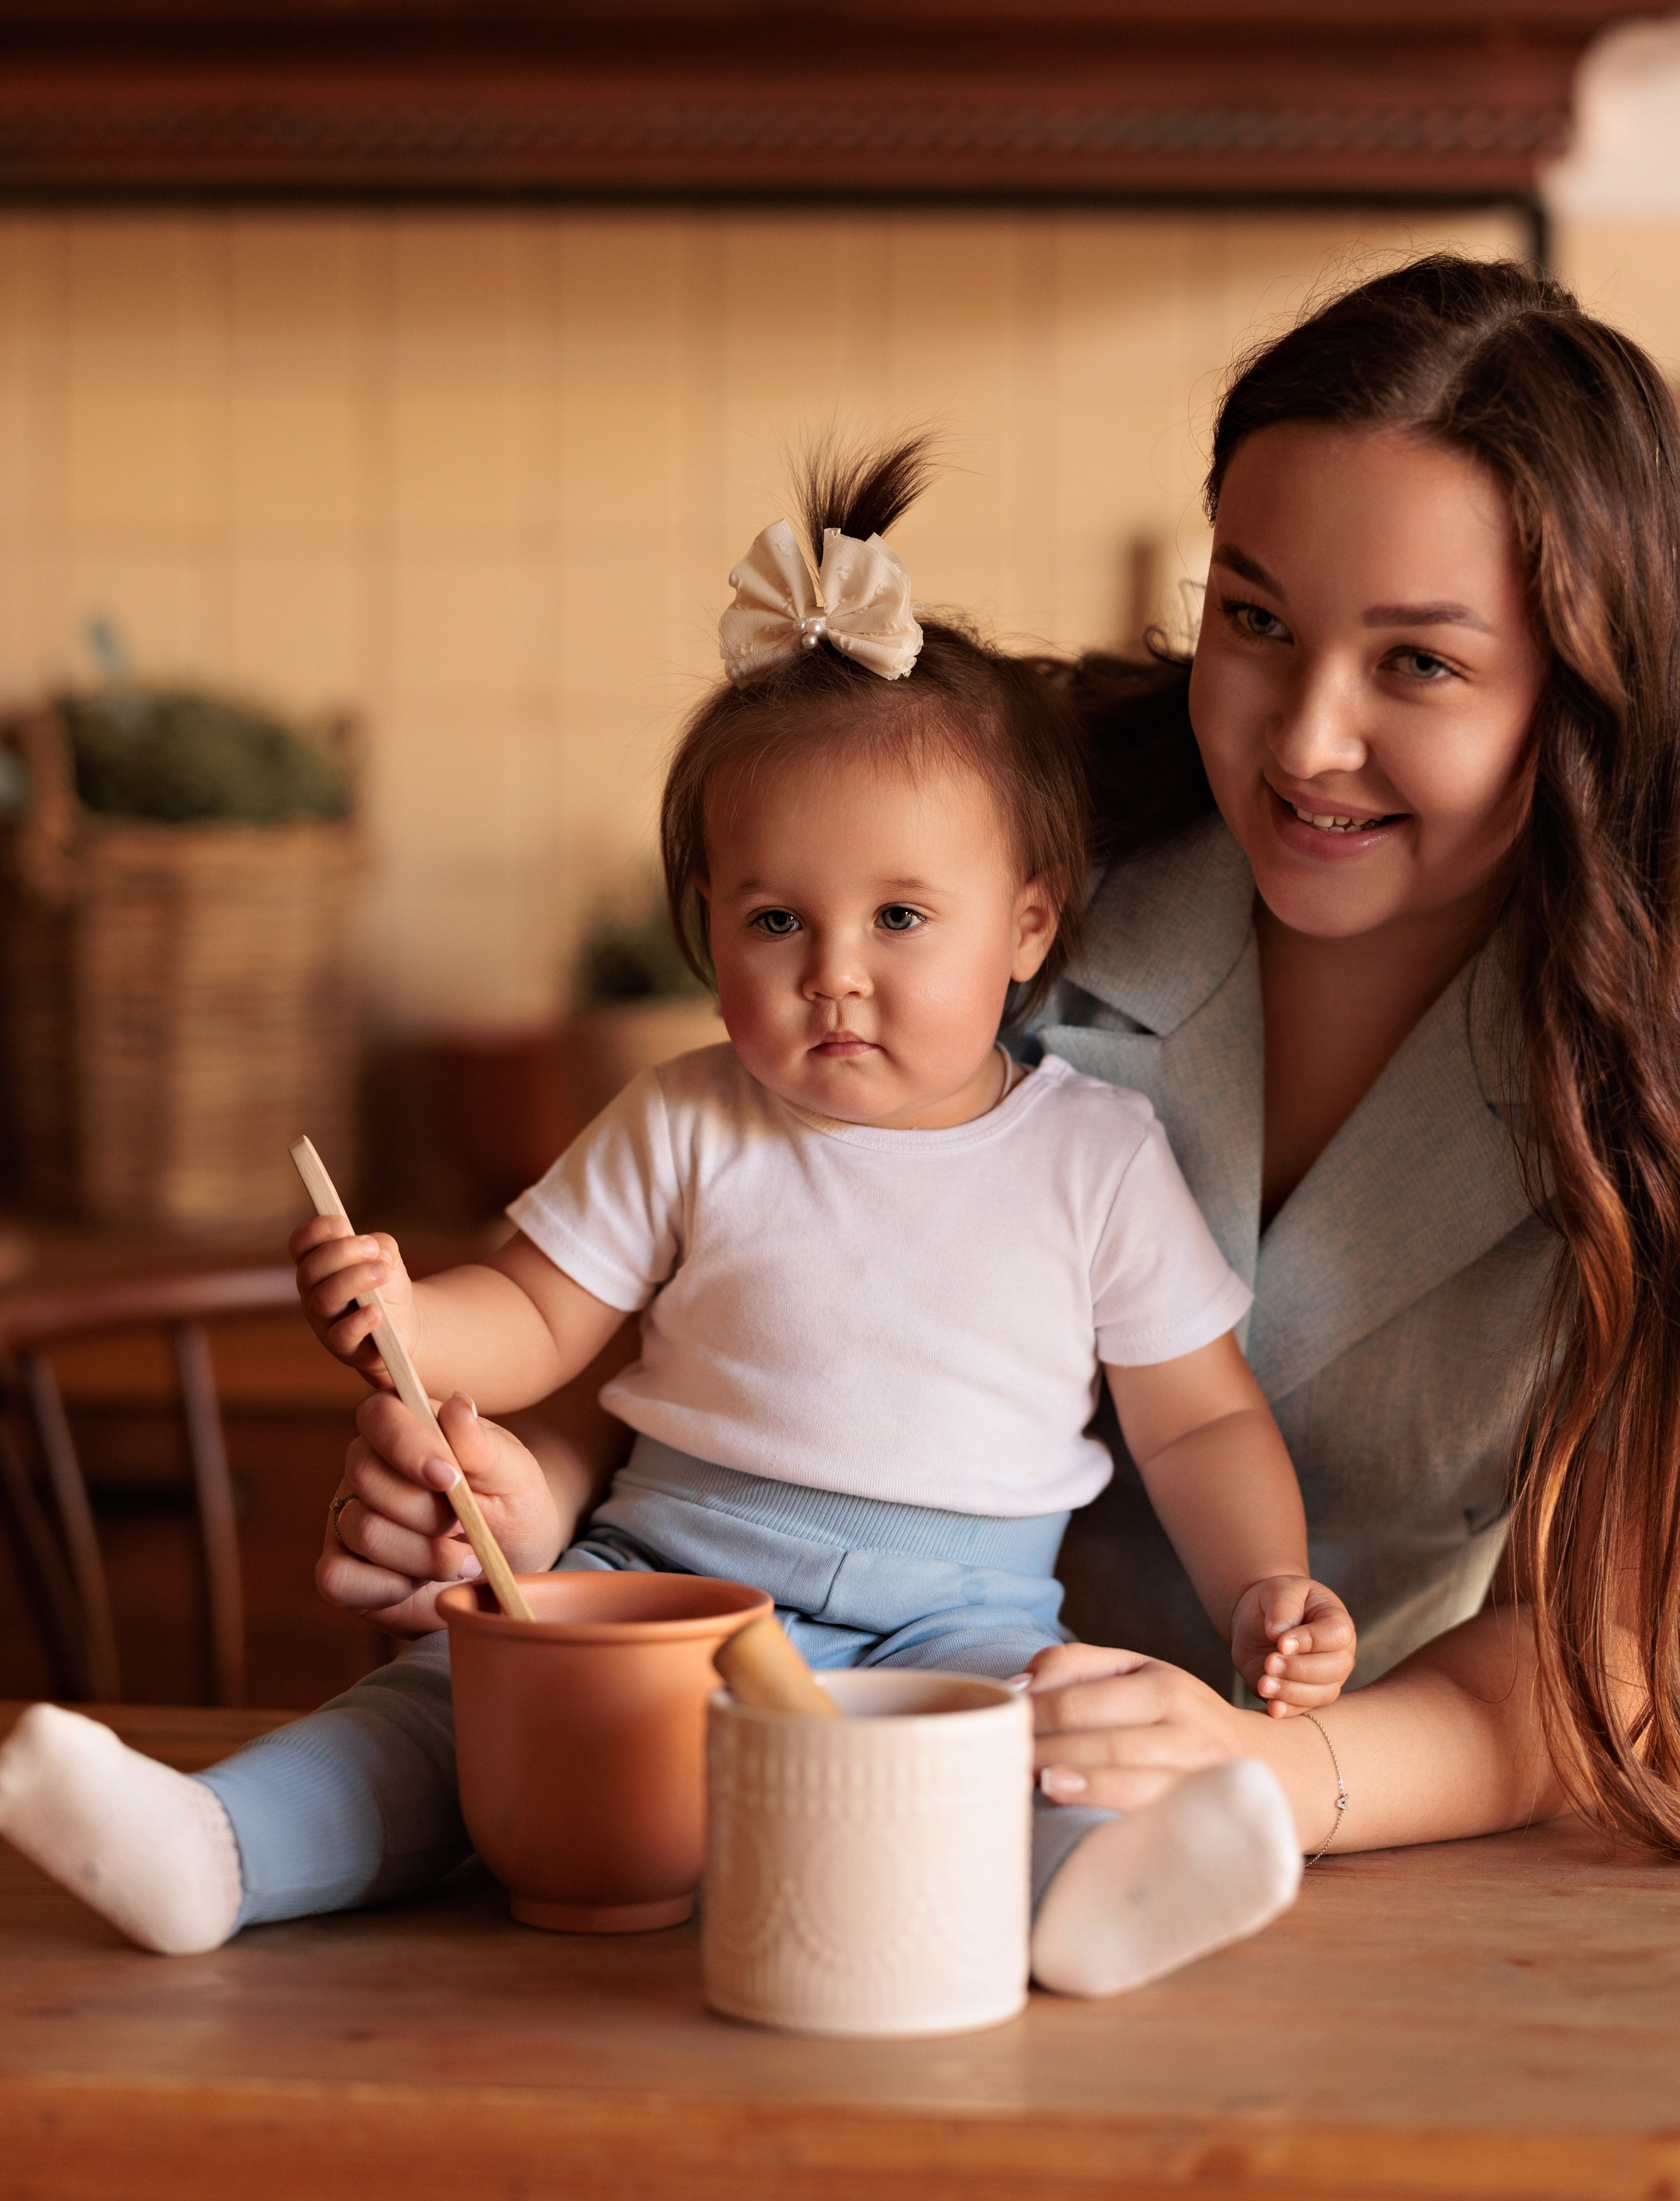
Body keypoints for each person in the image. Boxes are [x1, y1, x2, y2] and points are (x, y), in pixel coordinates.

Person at [305, 253, 1680, 1870]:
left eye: (1418, 662)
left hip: (1332, 1840)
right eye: (1252, 618)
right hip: (804, 1762)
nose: (1306, 737)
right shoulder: (985, 861)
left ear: (1584, 688)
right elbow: (721, 1303)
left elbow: (1611, 1647)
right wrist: (501, 1492)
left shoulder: (1643, 1056)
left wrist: (1269, 1768)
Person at [0, 442, 1353, 1996]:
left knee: (1039, 1742)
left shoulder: (1095, 1157)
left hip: (955, 1623)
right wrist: (405, 1315)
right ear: (707, 925)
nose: (832, 970)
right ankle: (216, 1844)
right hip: (663, 1579)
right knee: (447, 1705)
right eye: (775, 918)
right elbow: (534, 1310)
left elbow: (1198, 1421)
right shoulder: (689, 1116)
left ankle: (1095, 1897)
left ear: (1026, 924)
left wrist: (1264, 1586)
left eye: (899, 916)